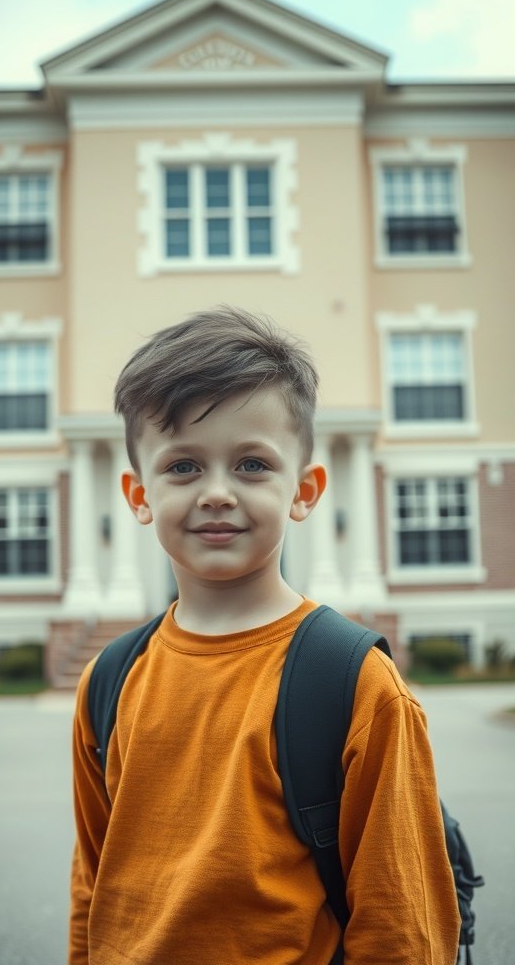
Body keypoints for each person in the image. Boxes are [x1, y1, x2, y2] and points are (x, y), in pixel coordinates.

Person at [69, 305, 460, 965]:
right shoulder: (108, 678)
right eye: (183, 467)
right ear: (138, 496)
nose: (217, 492)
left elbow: (402, 923)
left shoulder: (354, 682)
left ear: (304, 490)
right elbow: (92, 887)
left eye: (252, 465)